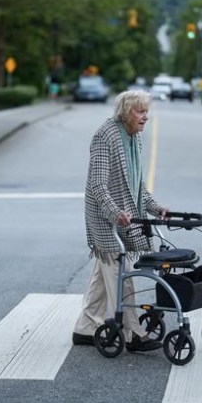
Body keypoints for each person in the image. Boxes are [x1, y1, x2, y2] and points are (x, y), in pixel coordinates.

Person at [72, 90, 169, 352]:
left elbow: (137, 185)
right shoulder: (105, 137)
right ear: (126, 112)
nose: (145, 117)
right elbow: (98, 185)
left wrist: (155, 208)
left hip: (124, 215)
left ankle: (85, 327)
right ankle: (133, 332)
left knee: (105, 272)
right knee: (119, 271)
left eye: (147, 111)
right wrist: (114, 212)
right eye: (140, 111)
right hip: (105, 217)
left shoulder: (134, 138)